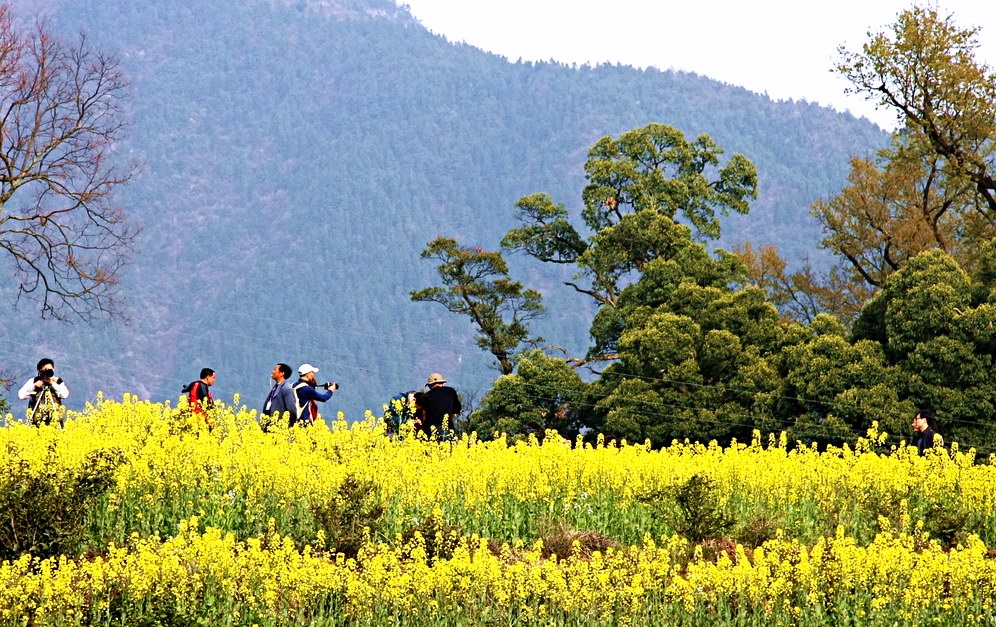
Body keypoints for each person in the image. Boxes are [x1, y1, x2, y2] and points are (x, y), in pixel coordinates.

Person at [17, 358, 69, 426]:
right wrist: (34, 387)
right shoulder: (33, 381)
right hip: (36, 423)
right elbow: (21, 395)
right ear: (40, 371)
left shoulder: (57, 382)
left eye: (50, 370)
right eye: (45, 370)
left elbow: (65, 395)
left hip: (54, 423)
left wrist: (53, 384)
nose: (47, 373)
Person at [418, 372, 461, 440]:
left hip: (431, 431)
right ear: (442, 383)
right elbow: (456, 410)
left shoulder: (426, 396)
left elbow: (421, 414)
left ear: (430, 385)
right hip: (449, 429)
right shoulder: (451, 391)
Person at [262, 363, 297, 429]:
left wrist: (289, 426)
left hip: (279, 427)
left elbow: (291, 409)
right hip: (270, 425)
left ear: (282, 373)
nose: (272, 371)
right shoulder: (275, 387)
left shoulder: (286, 388)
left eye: (275, 369)